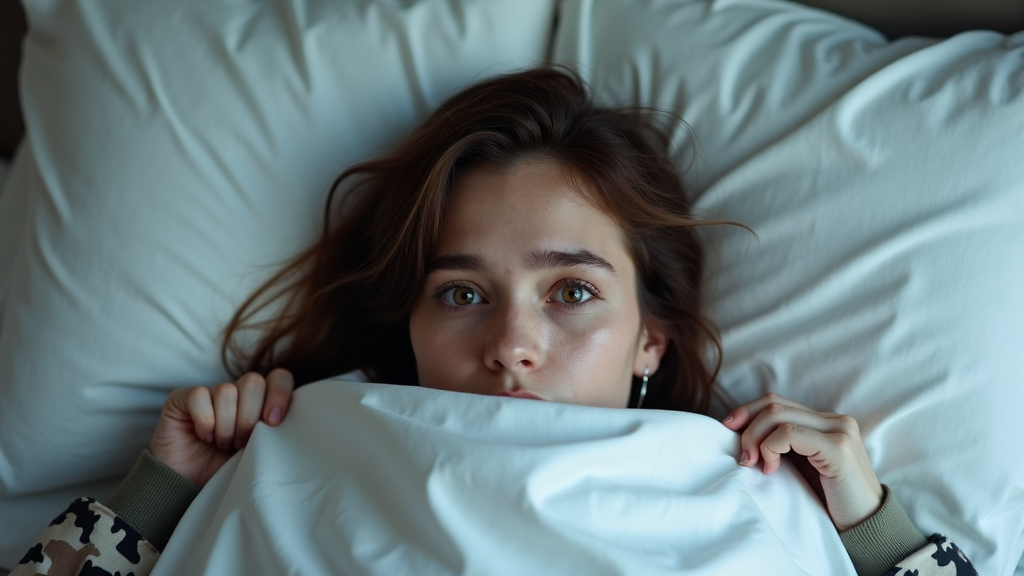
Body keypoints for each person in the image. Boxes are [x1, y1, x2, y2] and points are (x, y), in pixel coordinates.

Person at [12, 68, 976, 576]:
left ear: (653, 337)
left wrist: (874, 531)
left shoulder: (760, 495)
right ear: (413, 326)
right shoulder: (296, 453)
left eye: (572, 292)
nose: (512, 344)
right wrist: (156, 494)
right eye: (462, 293)